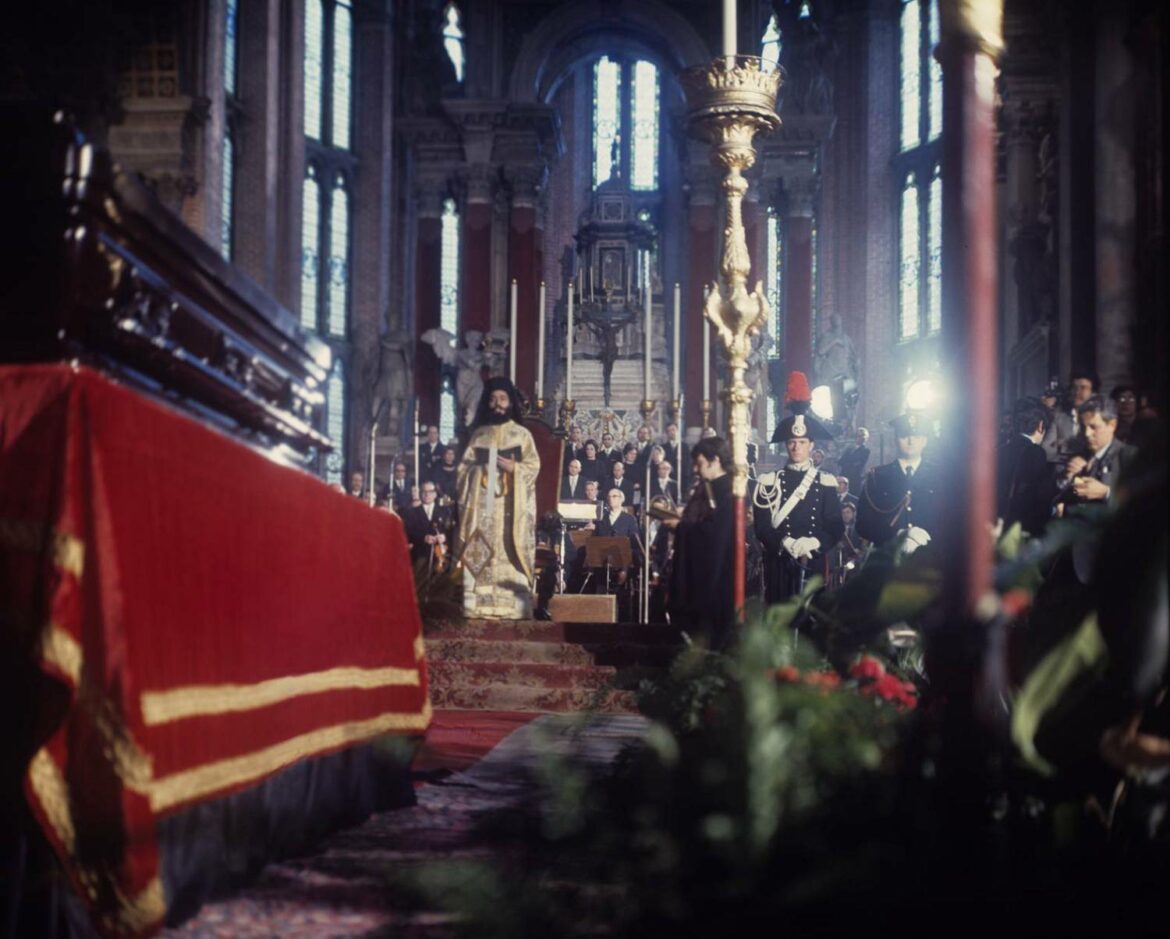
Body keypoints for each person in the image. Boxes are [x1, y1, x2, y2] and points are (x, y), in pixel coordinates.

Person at [752, 373, 844, 604]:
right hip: (780, 562)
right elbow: (762, 526)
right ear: (786, 445)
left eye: (802, 443)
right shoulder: (769, 481)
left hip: (813, 561)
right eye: (792, 443)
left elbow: (835, 526)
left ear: (811, 445)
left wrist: (814, 542)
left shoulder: (825, 482)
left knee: (810, 624)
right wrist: (785, 542)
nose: (796, 447)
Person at [455, 377, 541, 618]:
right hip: (481, 508)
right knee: (480, 549)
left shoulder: (521, 435)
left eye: (502, 398)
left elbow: (533, 467)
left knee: (509, 550)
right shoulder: (479, 435)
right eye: (493, 399)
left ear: (510, 403)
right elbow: (463, 471)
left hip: (510, 510)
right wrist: (480, 470)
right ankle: (477, 605)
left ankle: (513, 607)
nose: (497, 404)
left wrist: (516, 469)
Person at [667, 436, 737, 650]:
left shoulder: (727, 490)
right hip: (700, 571)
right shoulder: (708, 487)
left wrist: (679, 527)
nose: (696, 470)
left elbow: (713, 534)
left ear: (714, 460)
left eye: (699, 463)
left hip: (714, 576)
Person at [856, 411, 942, 551]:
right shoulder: (877, 477)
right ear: (895, 439)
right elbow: (863, 524)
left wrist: (926, 538)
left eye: (916, 436)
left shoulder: (940, 476)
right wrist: (898, 535)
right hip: (888, 557)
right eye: (904, 436)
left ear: (924, 441)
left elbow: (952, 520)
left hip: (931, 559)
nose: (910, 441)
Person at [1054, 395, 1136, 512]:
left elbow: (1146, 503)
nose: (1087, 433)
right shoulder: (1079, 456)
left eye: (1093, 427)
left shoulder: (1130, 455)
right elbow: (1059, 498)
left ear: (1112, 425)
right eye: (1083, 427)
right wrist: (1067, 480)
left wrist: (1107, 493)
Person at [996, 399, 1055, 536]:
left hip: (997, 524)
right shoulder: (1036, 452)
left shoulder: (1000, 450)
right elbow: (1040, 498)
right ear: (1041, 426)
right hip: (1020, 529)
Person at [403, 481, 453, 571]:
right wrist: (424, 538)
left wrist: (444, 537)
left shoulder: (445, 511)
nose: (427, 494)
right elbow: (408, 533)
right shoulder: (411, 513)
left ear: (435, 494)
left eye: (430, 492)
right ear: (420, 494)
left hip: (440, 556)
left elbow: (451, 531)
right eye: (424, 491)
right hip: (420, 556)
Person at [663, 422, 690, 489]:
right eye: (669, 431)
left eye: (673, 430)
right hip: (668, 478)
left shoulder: (684, 446)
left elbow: (688, 463)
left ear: (677, 431)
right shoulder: (663, 447)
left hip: (682, 478)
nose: (671, 432)